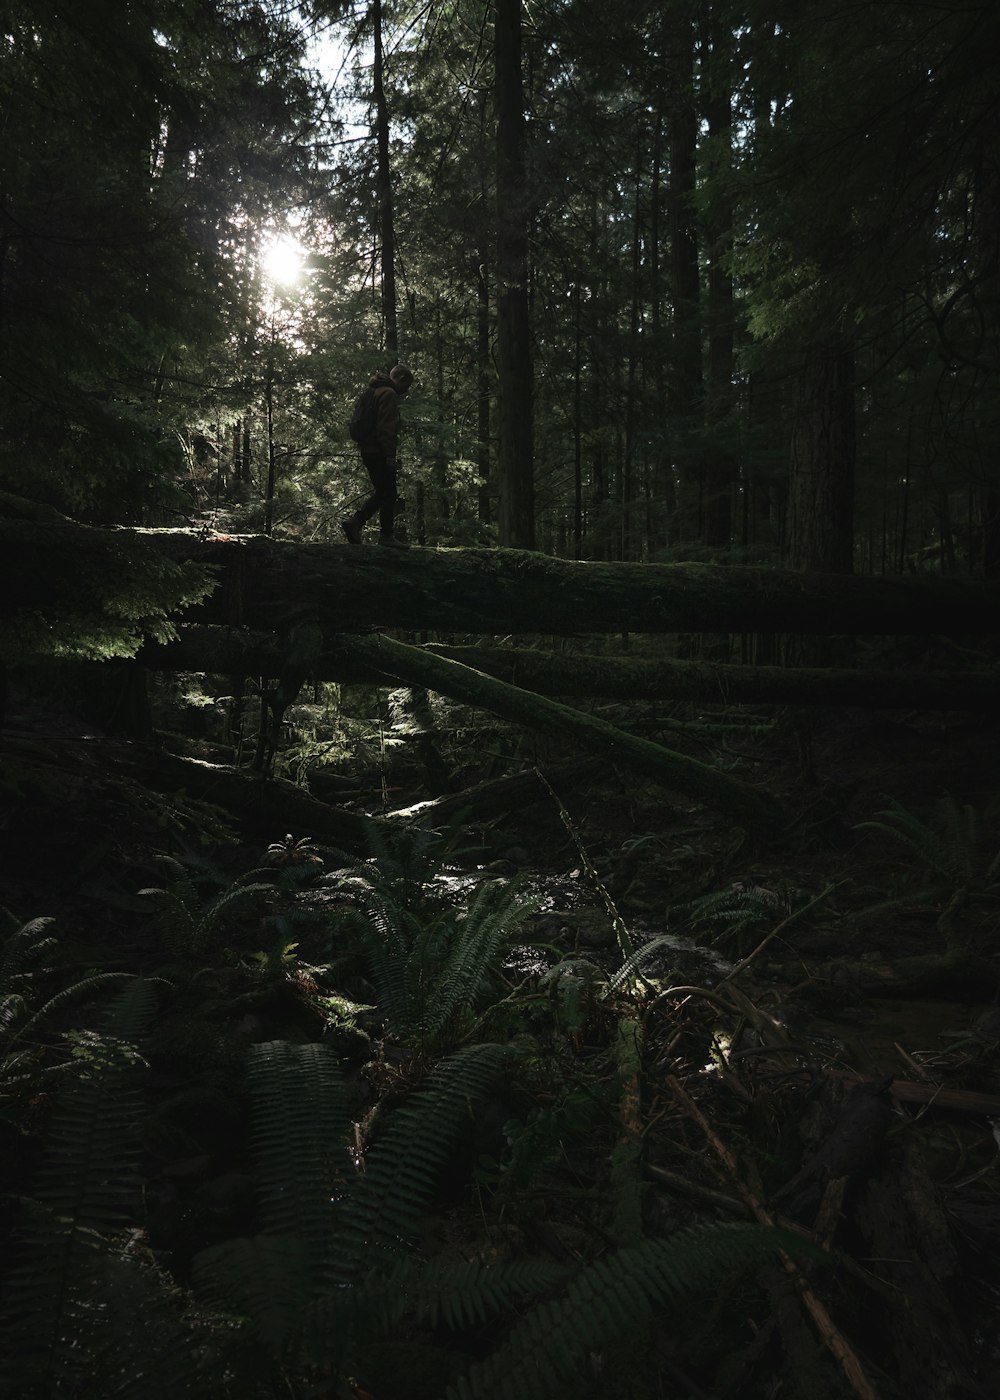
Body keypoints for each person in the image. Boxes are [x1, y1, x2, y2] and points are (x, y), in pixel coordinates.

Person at [341, 363, 414, 547]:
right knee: (388, 491)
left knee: (384, 491)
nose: (406, 391)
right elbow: (386, 428)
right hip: (378, 450)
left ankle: (360, 525)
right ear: (402, 379)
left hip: (368, 448)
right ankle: (381, 534)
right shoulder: (388, 394)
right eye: (407, 386)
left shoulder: (372, 391)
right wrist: (390, 455)